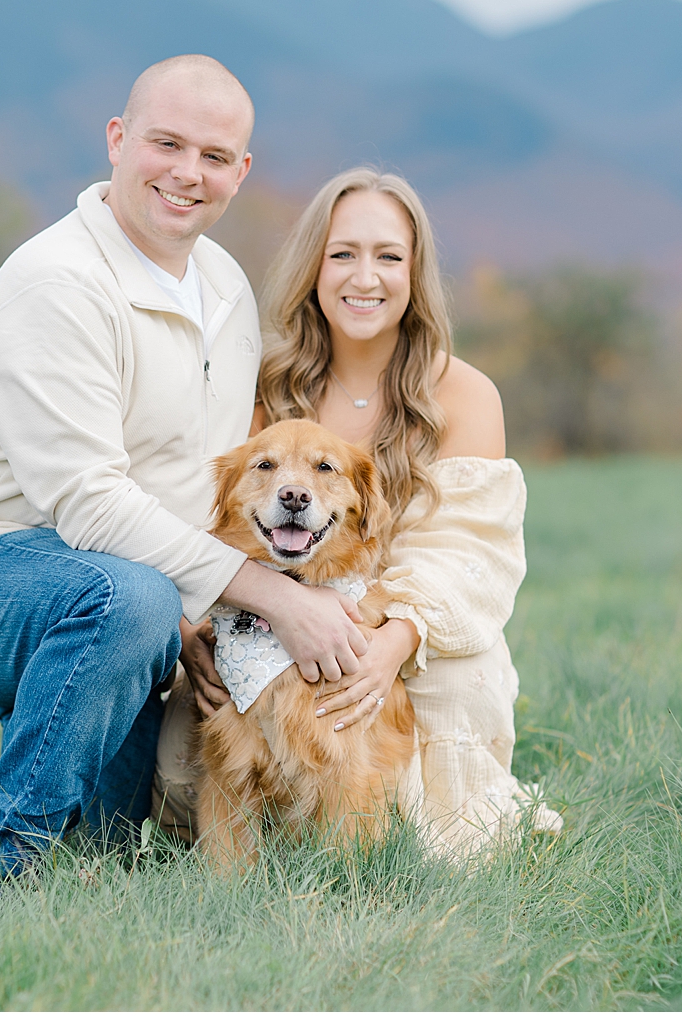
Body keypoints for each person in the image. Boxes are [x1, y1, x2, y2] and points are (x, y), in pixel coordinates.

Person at [0, 55, 372, 895]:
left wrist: (195, 621)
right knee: (125, 601)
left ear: (240, 173)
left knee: (107, 849)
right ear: (117, 140)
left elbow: (196, 488)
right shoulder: (55, 283)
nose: (186, 173)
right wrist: (273, 597)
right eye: (165, 143)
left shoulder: (228, 293)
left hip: (129, 590)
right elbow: (91, 506)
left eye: (213, 157)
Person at [155, 167, 563, 858]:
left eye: (388, 256)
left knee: (422, 798)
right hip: (259, 622)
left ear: (417, 272)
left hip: (413, 637)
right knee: (178, 762)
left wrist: (390, 643)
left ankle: (397, 839)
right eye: (343, 253)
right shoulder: (263, 385)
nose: (363, 277)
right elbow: (209, 516)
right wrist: (192, 623)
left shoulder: (462, 394)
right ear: (314, 264)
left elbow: (468, 551)